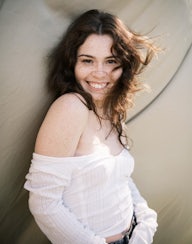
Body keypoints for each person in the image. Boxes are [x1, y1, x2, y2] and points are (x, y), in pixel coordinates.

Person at [24, 9, 158, 244]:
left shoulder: (110, 108)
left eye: (111, 61)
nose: (100, 73)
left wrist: (145, 217)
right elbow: (43, 203)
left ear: (124, 64)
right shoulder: (70, 107)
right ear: (71, 63)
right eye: (87, 60)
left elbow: (120, 176)